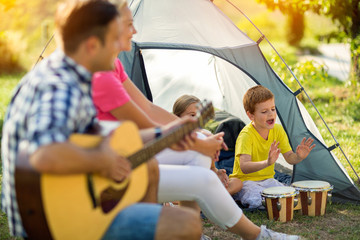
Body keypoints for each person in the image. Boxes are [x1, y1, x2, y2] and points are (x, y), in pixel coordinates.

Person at [91, 2, 301, 239]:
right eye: (129, 25)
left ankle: (191, 233)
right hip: (115, 166)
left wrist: (197, 137)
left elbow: (149, 107)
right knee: (201, 171)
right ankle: (257, 236)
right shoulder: (101, 77)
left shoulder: (114, 65)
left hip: (129, 154)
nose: (135, 31)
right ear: (111, 29)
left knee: (200, 145)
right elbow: (146, 123)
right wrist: (193, 138)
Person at [0, 1, 203, 239]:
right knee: (186, 224)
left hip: (70, 198)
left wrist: (166, 133)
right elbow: (44, 154)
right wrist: (100, 162)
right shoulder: (60, 87)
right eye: (114, 39)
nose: (120, 46)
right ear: (93, 45)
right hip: (55, 216)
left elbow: (96, 137)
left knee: (149, 169)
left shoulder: (73, 76)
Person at [229, 85, 316, 209]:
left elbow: (289, 157)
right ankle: (237, 196)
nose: (271, 114)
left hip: (268, 181)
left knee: (288, 197)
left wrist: (298, 157)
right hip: (246, 182)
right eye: (264, 112)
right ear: (251, 115)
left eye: (273, 109)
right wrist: (267, 162)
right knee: (258, 201)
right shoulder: (246, 135)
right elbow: (244, 167)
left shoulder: (278, 130)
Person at [173, 94, 243, 195]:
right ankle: (211, 198)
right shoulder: (176, 139)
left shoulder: (206, 135)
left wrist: (217, 173)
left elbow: (212, 167)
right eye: (192, 115)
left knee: (237, 182)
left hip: (204, 182)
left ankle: (213, 197)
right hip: (185, 183)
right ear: (177, 118)